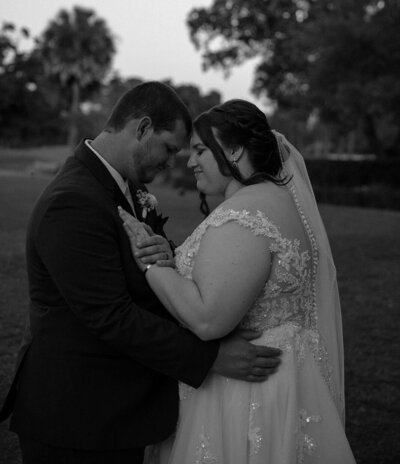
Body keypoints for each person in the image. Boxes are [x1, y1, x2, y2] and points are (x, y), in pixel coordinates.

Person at [0, 83, 281, 464]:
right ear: (143, 128)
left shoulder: (123, 189)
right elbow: (110, 316)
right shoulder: (73, 201)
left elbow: (145, 286)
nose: (171, 163)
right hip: (77, 419)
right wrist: (211, 357)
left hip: (114, 412)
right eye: (169, 149)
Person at [120, 98, 357, 464]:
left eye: (200, 150)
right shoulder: (277, 200)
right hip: (284, 384)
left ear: (234, 149)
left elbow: (207, 319)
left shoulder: (243, 215)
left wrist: (152, 266)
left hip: (243, 397)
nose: (190, 161)